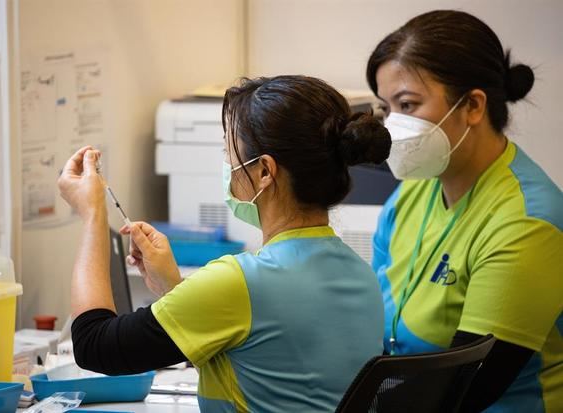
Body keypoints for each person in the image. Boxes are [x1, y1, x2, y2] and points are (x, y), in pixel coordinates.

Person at [57, 75, 392, 412]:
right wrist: (174, 288)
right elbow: (259, 349)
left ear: (264, 171)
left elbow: (93, 346)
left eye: (228, 153)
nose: (228, 167)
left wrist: (92, 215)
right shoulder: (362, 277)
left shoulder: (241, 282)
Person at [367, 9, 563, 413]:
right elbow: (369, 321)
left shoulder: (526, 220)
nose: (393, 126)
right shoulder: (411, 194)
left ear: (473, 105)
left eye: (408, 104)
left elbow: (467, 386)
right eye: (387, 109)